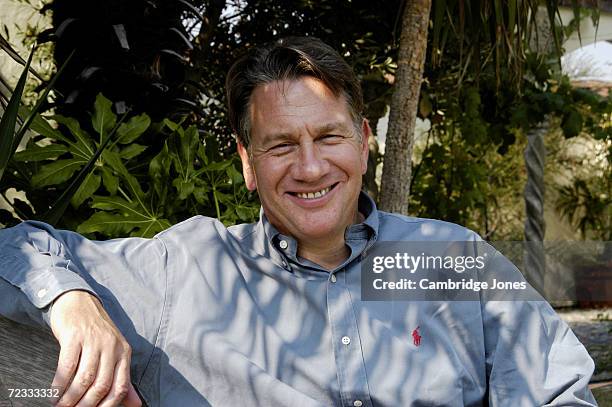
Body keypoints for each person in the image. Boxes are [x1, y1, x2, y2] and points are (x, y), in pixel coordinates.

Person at [0, 37, 597, 407]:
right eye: (281, 144)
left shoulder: (447, 262)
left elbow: (556, 391)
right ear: (247, 163)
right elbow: (18, 247)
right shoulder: (183, 269)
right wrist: (74, 301)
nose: (310, 166)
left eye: (329, 136)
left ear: (364, 143)